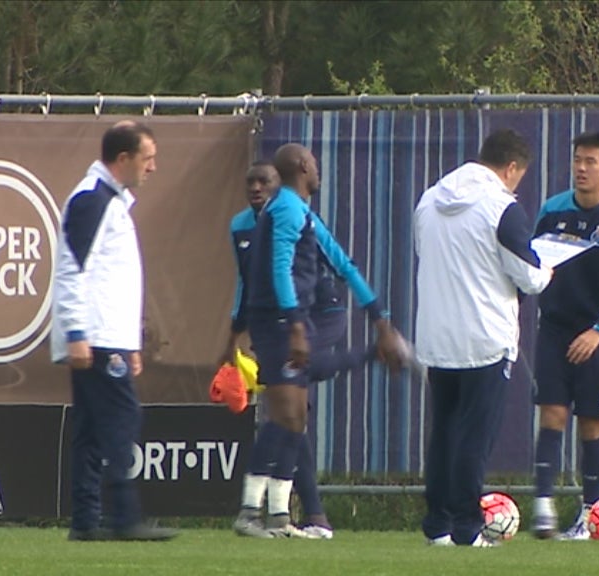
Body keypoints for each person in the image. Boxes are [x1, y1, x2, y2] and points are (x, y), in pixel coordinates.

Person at [232, 143, 405, 539]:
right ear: (304, 167)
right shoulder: (287, 209)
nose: (318, 168)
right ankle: (251, 514)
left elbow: (342, 263)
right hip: (276, 321)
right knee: (287, 413)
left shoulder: (299, 212)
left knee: (292, 416)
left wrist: (380, 318)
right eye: (314, 163)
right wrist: (294, 325)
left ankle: (274, 517)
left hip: (283, 319)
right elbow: (278, 269)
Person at [414, 128, 553, 547]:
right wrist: (547, 268)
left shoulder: (429, 199)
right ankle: (467, 528)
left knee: (443, 433)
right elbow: (528, 277)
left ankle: (437, 526)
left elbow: (426, 252)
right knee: (474, 437)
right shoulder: (500, 207)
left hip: (437, 336)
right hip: (486, 339)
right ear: (511, 168)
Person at [51, 121, 177, 542]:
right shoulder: (92, 199)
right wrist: (76, 331)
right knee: (122, 418)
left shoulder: (112, 200)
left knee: (90, 429)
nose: (153, 167)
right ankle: (124, 515)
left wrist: (131, 341)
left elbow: (113, 279)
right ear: (122, 159)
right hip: (97, 337)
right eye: (148, 158)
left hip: (110, 336)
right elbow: (72, 269)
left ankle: (86, 521)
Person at [530, 131, 599, 540]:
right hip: (555, 330)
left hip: (596, 334)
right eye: (578, 160)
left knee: (592, 423)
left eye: (591, 161)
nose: (581, 168)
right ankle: (543, 506)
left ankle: (590, 515)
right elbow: (534, 264)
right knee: (553, 413)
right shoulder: (551, 210)